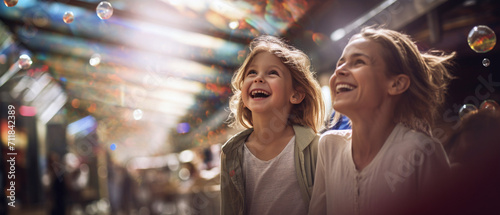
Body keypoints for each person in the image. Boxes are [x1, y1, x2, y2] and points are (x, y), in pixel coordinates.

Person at [309, 26, 454, 215]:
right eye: (340, 63)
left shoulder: (420, 151)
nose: (340, 71)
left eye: (358, 62)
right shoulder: (328, 146)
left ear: (396, 84)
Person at [220, 35, 325, 215]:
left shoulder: (316, 148)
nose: (258, 78)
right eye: (252, 72)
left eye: (272, 73)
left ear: (296, 95)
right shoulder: (230, 153)